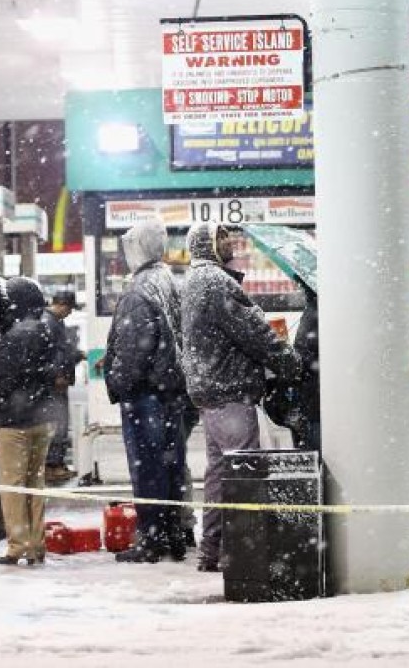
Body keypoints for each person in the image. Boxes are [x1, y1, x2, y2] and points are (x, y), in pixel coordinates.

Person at [182, 222, 299, 572]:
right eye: (222, 239)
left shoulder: (193, 281)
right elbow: (254, 332)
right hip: (230, 392)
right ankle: (244, 555)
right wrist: (289, 361)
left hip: (209, 393)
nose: (230, 244)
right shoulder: (216, 283)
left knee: (220, 476)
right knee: (243, 476)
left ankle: (212, 551)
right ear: (209, 246)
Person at [103, 218, 190, 563]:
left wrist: (117, 382)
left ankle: (151, 540)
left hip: (145, 396)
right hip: (170, 392)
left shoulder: (138, 289)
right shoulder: (169, 280)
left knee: (147, 469)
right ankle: (173, 536)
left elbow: (132, 351)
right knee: (170, 467)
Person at [0, 276, 57, 566]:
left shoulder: (12, 339)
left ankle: (17, 544)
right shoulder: (45, 331)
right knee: (35, 483)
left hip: (12, 423)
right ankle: (37, 544)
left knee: (12, 484)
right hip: (42, 419)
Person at [42, 290, 85, 483]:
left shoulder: (53, 321)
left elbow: (64, 351)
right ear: (61, 305)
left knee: (59, 423)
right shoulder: (49, 322)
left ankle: (55, 463)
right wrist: (57, 375)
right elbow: (55, 354)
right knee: (58, 424)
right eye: (68, 309)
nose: (69, 313)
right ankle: (53, 465)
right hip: (55, 384)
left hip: (57, 382)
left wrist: (77, 355)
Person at [291, 284, 321, 452]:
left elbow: (304, 354)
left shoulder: (315, 308)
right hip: (318, 398)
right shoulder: (319, 306)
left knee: (315, 452)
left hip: (314, 397)